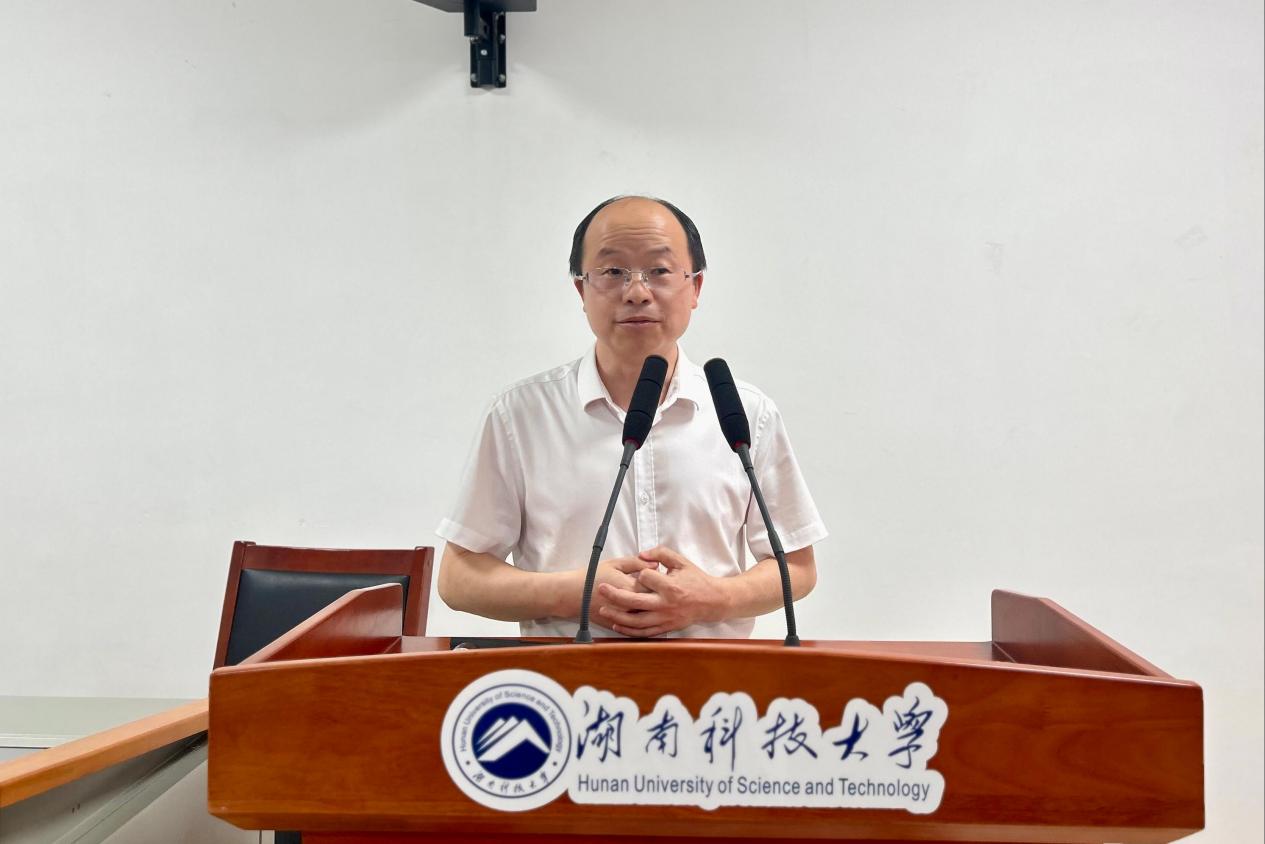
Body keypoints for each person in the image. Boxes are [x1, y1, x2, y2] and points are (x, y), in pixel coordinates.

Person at [436, 195, 826, 638]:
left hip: (711, 675)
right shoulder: (521, 415)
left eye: (659, 271)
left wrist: (715, 599)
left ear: (695, 287)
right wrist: (574, 593)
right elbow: (458, 578)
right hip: (567, 674)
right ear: (582, 291)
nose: (637, 292)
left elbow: (797, 566)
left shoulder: (746, 414)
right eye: (613, 272)